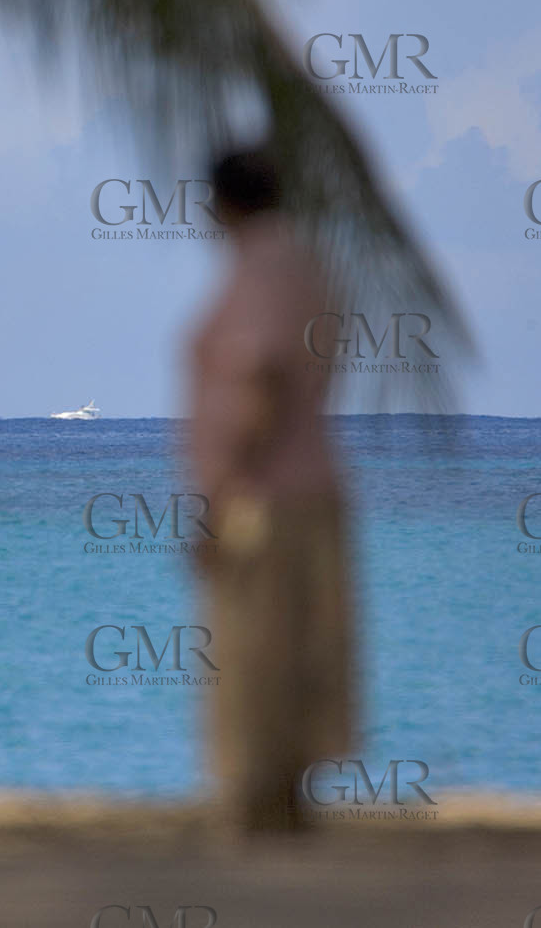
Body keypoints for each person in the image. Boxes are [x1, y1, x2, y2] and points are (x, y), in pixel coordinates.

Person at [186, 147, 355, 832]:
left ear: (220, 202)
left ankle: (263, 798)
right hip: (308, 482)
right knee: (300, 644)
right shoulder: (303, 264)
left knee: (255, 646)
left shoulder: (261, 266)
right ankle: (288, 792)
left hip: (264, 490)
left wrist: (220, 486)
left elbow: (261, 378)